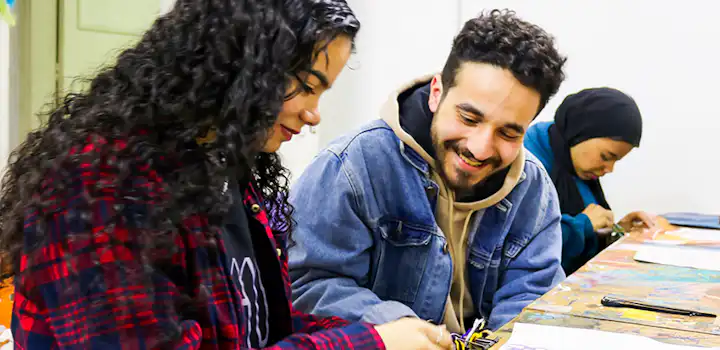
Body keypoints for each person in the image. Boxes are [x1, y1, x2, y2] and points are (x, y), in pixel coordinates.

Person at [0, 0, 454, 349]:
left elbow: (260, 326)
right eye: (308, 86)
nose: (315, 115)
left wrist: (385, 332)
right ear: (244, 62)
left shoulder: (221, 165)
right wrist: (367, 343)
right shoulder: (95, 189)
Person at [287, 10, 567, 332]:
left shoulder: (533, 188)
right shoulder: (350, 166)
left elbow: (533, 295)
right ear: (437, 92)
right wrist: (400, 329)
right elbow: (308, 286)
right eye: (469, 118)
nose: (480, 148)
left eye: (508, 133)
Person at [524, 87, 658, 275]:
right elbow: (523, 247)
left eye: (615, 160)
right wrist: (583, 225)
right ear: (580, 132)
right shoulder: (526, 166)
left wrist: (616, 230)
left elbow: (586, 227)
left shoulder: (572, 165)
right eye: (606, 156)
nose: (609, 169)